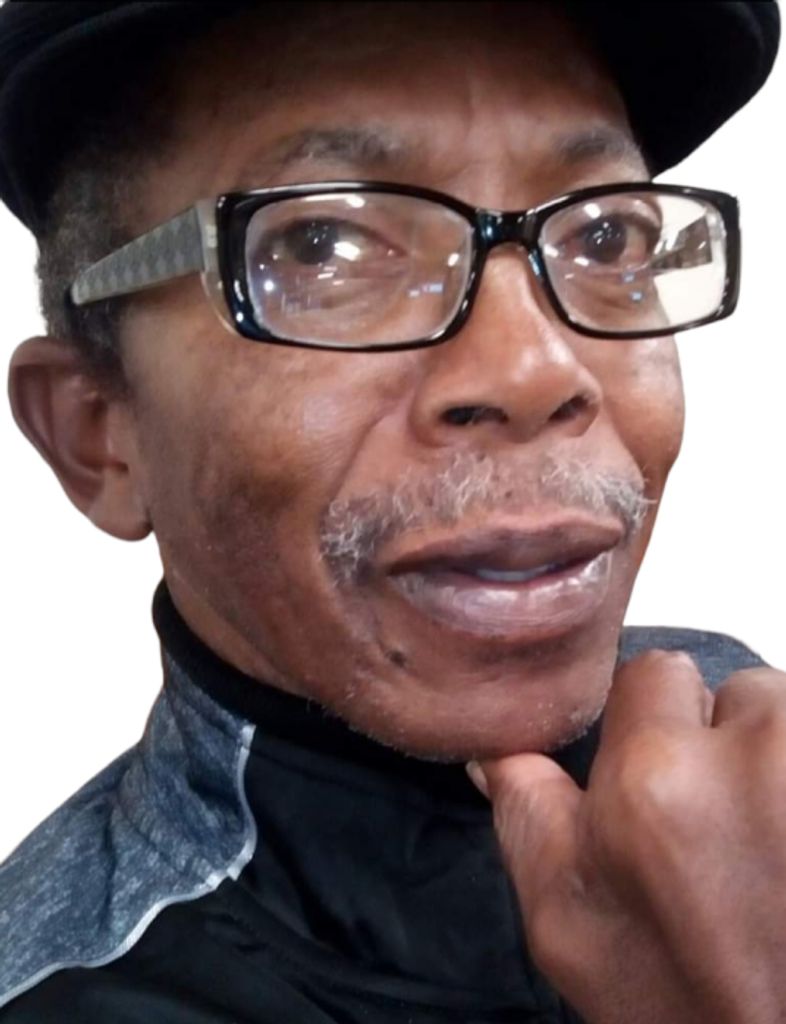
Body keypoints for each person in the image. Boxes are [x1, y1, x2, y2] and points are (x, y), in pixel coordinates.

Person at [0, 1, 783, 1021]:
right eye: (323, 246)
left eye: (606, 234)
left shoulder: (736, 706)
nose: (535, 370)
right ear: (98, 435)